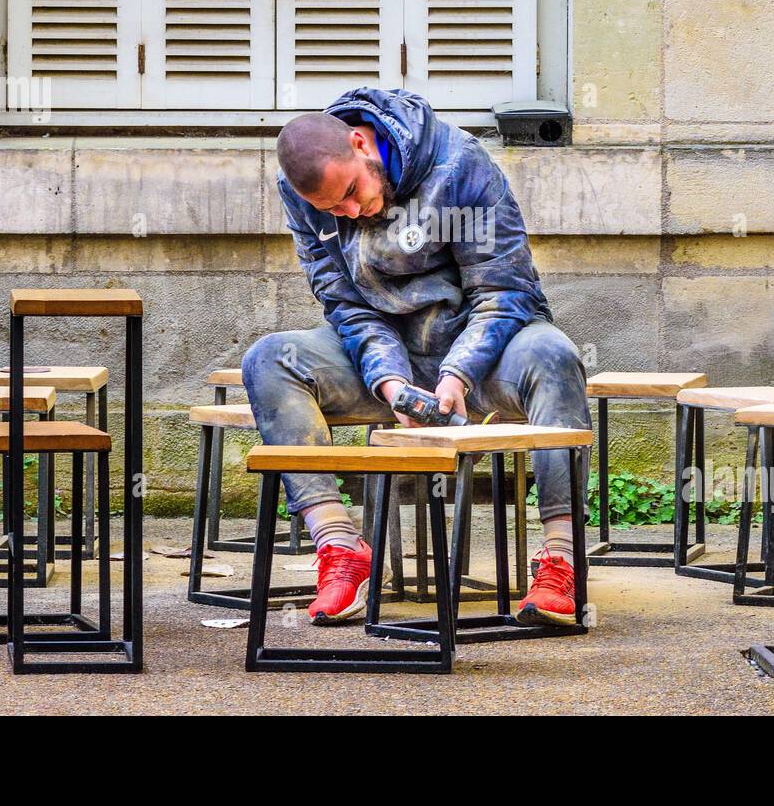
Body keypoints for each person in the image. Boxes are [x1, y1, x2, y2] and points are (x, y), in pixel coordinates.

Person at [243, 87, 590, 626]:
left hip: (480, 353)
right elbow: (342, 302)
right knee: (271, 359)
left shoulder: (459, 164)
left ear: (361, 144)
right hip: (384, 361)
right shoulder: (301, 192)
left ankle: (562, 559)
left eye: (353, 192)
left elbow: (504, 293)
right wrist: (389, 381)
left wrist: (457, 374)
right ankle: (340, 547)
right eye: (334, 209)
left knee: (552, 352)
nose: (354, 211)